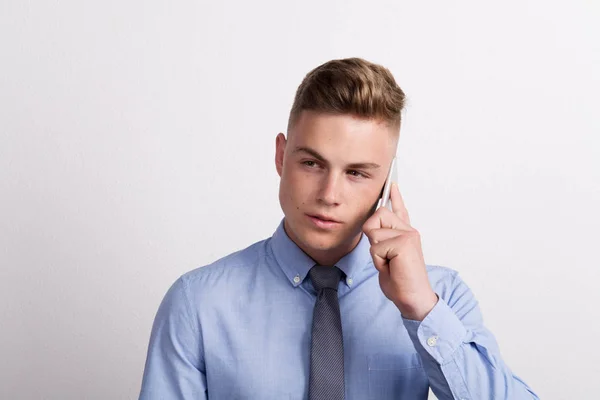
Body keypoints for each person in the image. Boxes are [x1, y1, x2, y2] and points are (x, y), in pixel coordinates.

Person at [138, 57, 539, 399]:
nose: (330, 194)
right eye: (311, 163)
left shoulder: (442, 297)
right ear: (281, 156)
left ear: (387, 182)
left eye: (357, 173)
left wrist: (421, 307)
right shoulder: (198, 304)